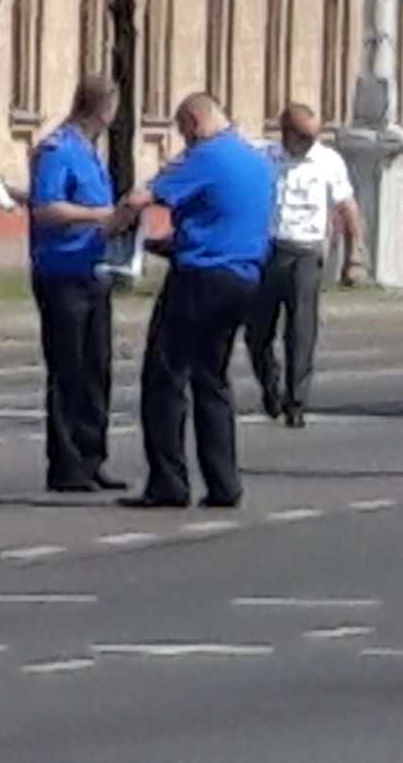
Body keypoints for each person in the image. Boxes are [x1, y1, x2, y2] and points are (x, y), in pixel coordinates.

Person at [115, 92, 277, 510]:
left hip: (201, 278)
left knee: (164, 377)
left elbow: (140, 199)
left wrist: (108, 233)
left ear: (194, 122)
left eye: (184, 133)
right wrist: (169, 244)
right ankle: (224, 483)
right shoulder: (257, 161)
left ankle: (168, 482)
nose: (184, 142)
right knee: (213, 379)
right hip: (244, 278)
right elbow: (225, 219)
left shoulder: (206, 156)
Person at [25, 76, 125, 493]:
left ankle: (92, 455)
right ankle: (66, 464)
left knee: (96, 368)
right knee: (68, 367)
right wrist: (99, 216)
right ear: (103, 108)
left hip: (94, 269)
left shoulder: (91, 152)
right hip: (61, 272)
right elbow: (46, 208)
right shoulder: (58, 149)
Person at [247, 103, 363, 427]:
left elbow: (347, 207)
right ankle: (269, 386)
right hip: (268, 252)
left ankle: (296, 402)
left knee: (301, 332)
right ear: (286, 132)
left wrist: (355, 256)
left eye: (314, 136)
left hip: (306, 254)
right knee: (257, 333)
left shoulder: (328, 161)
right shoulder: (263, 157)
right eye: (304, 136)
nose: (311, 142)